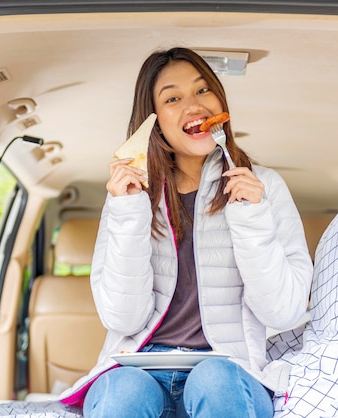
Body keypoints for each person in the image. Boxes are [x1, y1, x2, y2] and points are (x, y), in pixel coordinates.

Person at [67, 47, 313, 418]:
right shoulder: (129, 196)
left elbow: (282, 312)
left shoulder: (265, 187)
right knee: (121, 391)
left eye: (202, 91)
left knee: (214, 379)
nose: (193, 105)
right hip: (140, 365)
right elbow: (123, 319)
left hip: (229, 369)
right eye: (173, 98)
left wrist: (253, 218)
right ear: (153, 121)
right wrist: (130, 212)